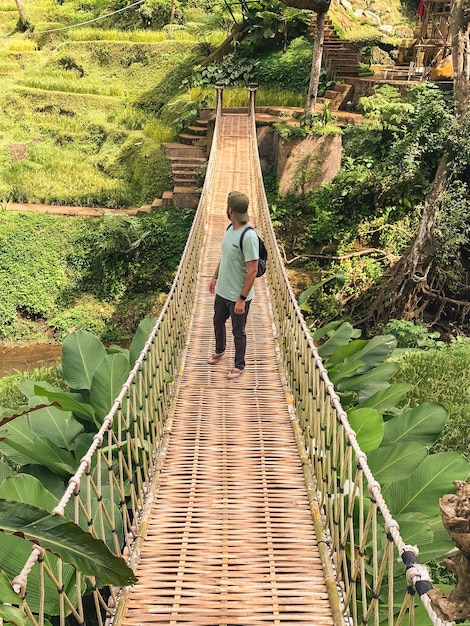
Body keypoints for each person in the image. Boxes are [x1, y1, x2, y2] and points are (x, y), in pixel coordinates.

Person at [208, 191, 259, 380]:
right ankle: (219, 350)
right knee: (217, 321)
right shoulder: (230, 228)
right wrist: (215, 276)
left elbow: (252, 269)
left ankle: (239, 365)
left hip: (238, 295)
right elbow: (226, 256)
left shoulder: (248, 236)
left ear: (230, 210)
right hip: (223, 291)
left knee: (239, 331)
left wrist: (242, 299)